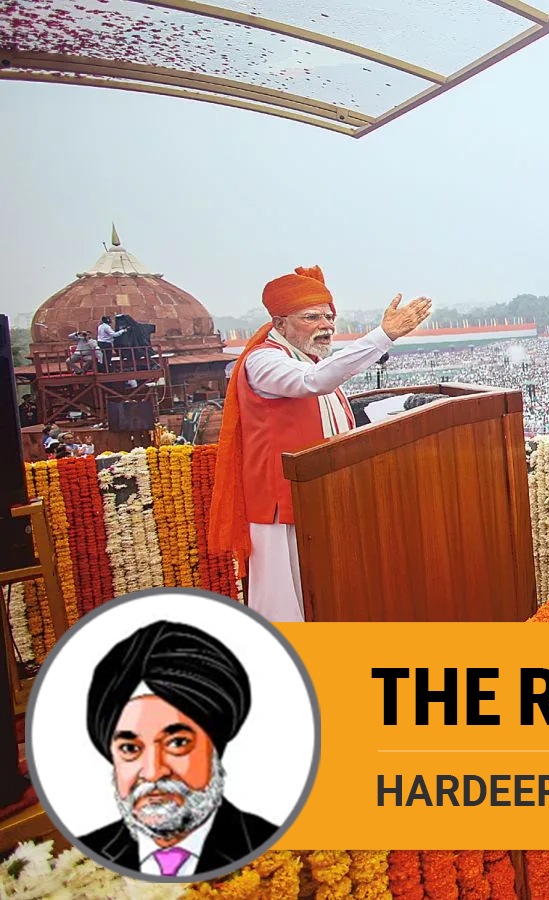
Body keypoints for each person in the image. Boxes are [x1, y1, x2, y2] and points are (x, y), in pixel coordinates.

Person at [209, 266, 431, 622]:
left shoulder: (310, 361)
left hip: (321, 497)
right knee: (285, 604)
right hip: (281, 504)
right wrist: (383, 336)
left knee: (327, 595)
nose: (325, 326)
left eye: (329, 317)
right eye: (311, 317)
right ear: (280, 324)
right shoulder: (264, 361)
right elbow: (314, 382)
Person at [78, 621, 276, 877]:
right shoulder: (79, 860)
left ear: (215, 749)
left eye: (177, 744)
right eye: (130, 748)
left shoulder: (271, 846)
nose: (153, 773)